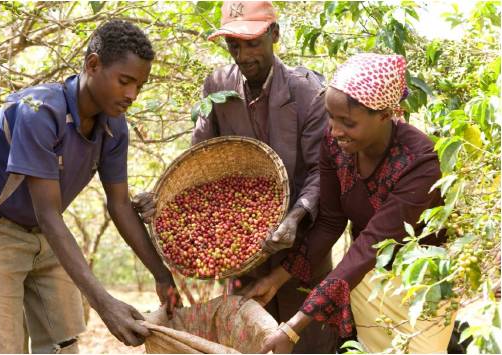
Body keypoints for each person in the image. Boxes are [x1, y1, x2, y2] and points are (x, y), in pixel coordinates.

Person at [133, 1, 338, 353]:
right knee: (248, 339)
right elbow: (199, 161)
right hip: (242, 255)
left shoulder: (308, 92)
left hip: (301, 246)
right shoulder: (217, 85)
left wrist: (296, 215)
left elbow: (323, 170)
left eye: (253, 43)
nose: (243, 55)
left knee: (308, 340)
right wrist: (165, 204)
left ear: (274, 34)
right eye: (234, 45)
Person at [0, 20, 181, 354]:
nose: (132, 95)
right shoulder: (39, 112)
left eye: (139, 85)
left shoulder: (114, 126)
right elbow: (50, 214)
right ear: (92, 64)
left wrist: (162, 275)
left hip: (44, 231)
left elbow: (121, 205)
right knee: (1, 347)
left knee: (62, 344)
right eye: (125, 81)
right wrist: (104, 304)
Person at [242, 53, 456, 353]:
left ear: (384, 114)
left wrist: (293, 328)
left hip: (422, 287)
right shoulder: (335, 145)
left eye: (347, 122)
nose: (334, 129)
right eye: (331, 116)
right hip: (366, 281)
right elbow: (330, 222)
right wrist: (276, 280)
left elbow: (371, 245)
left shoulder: (420, 162)